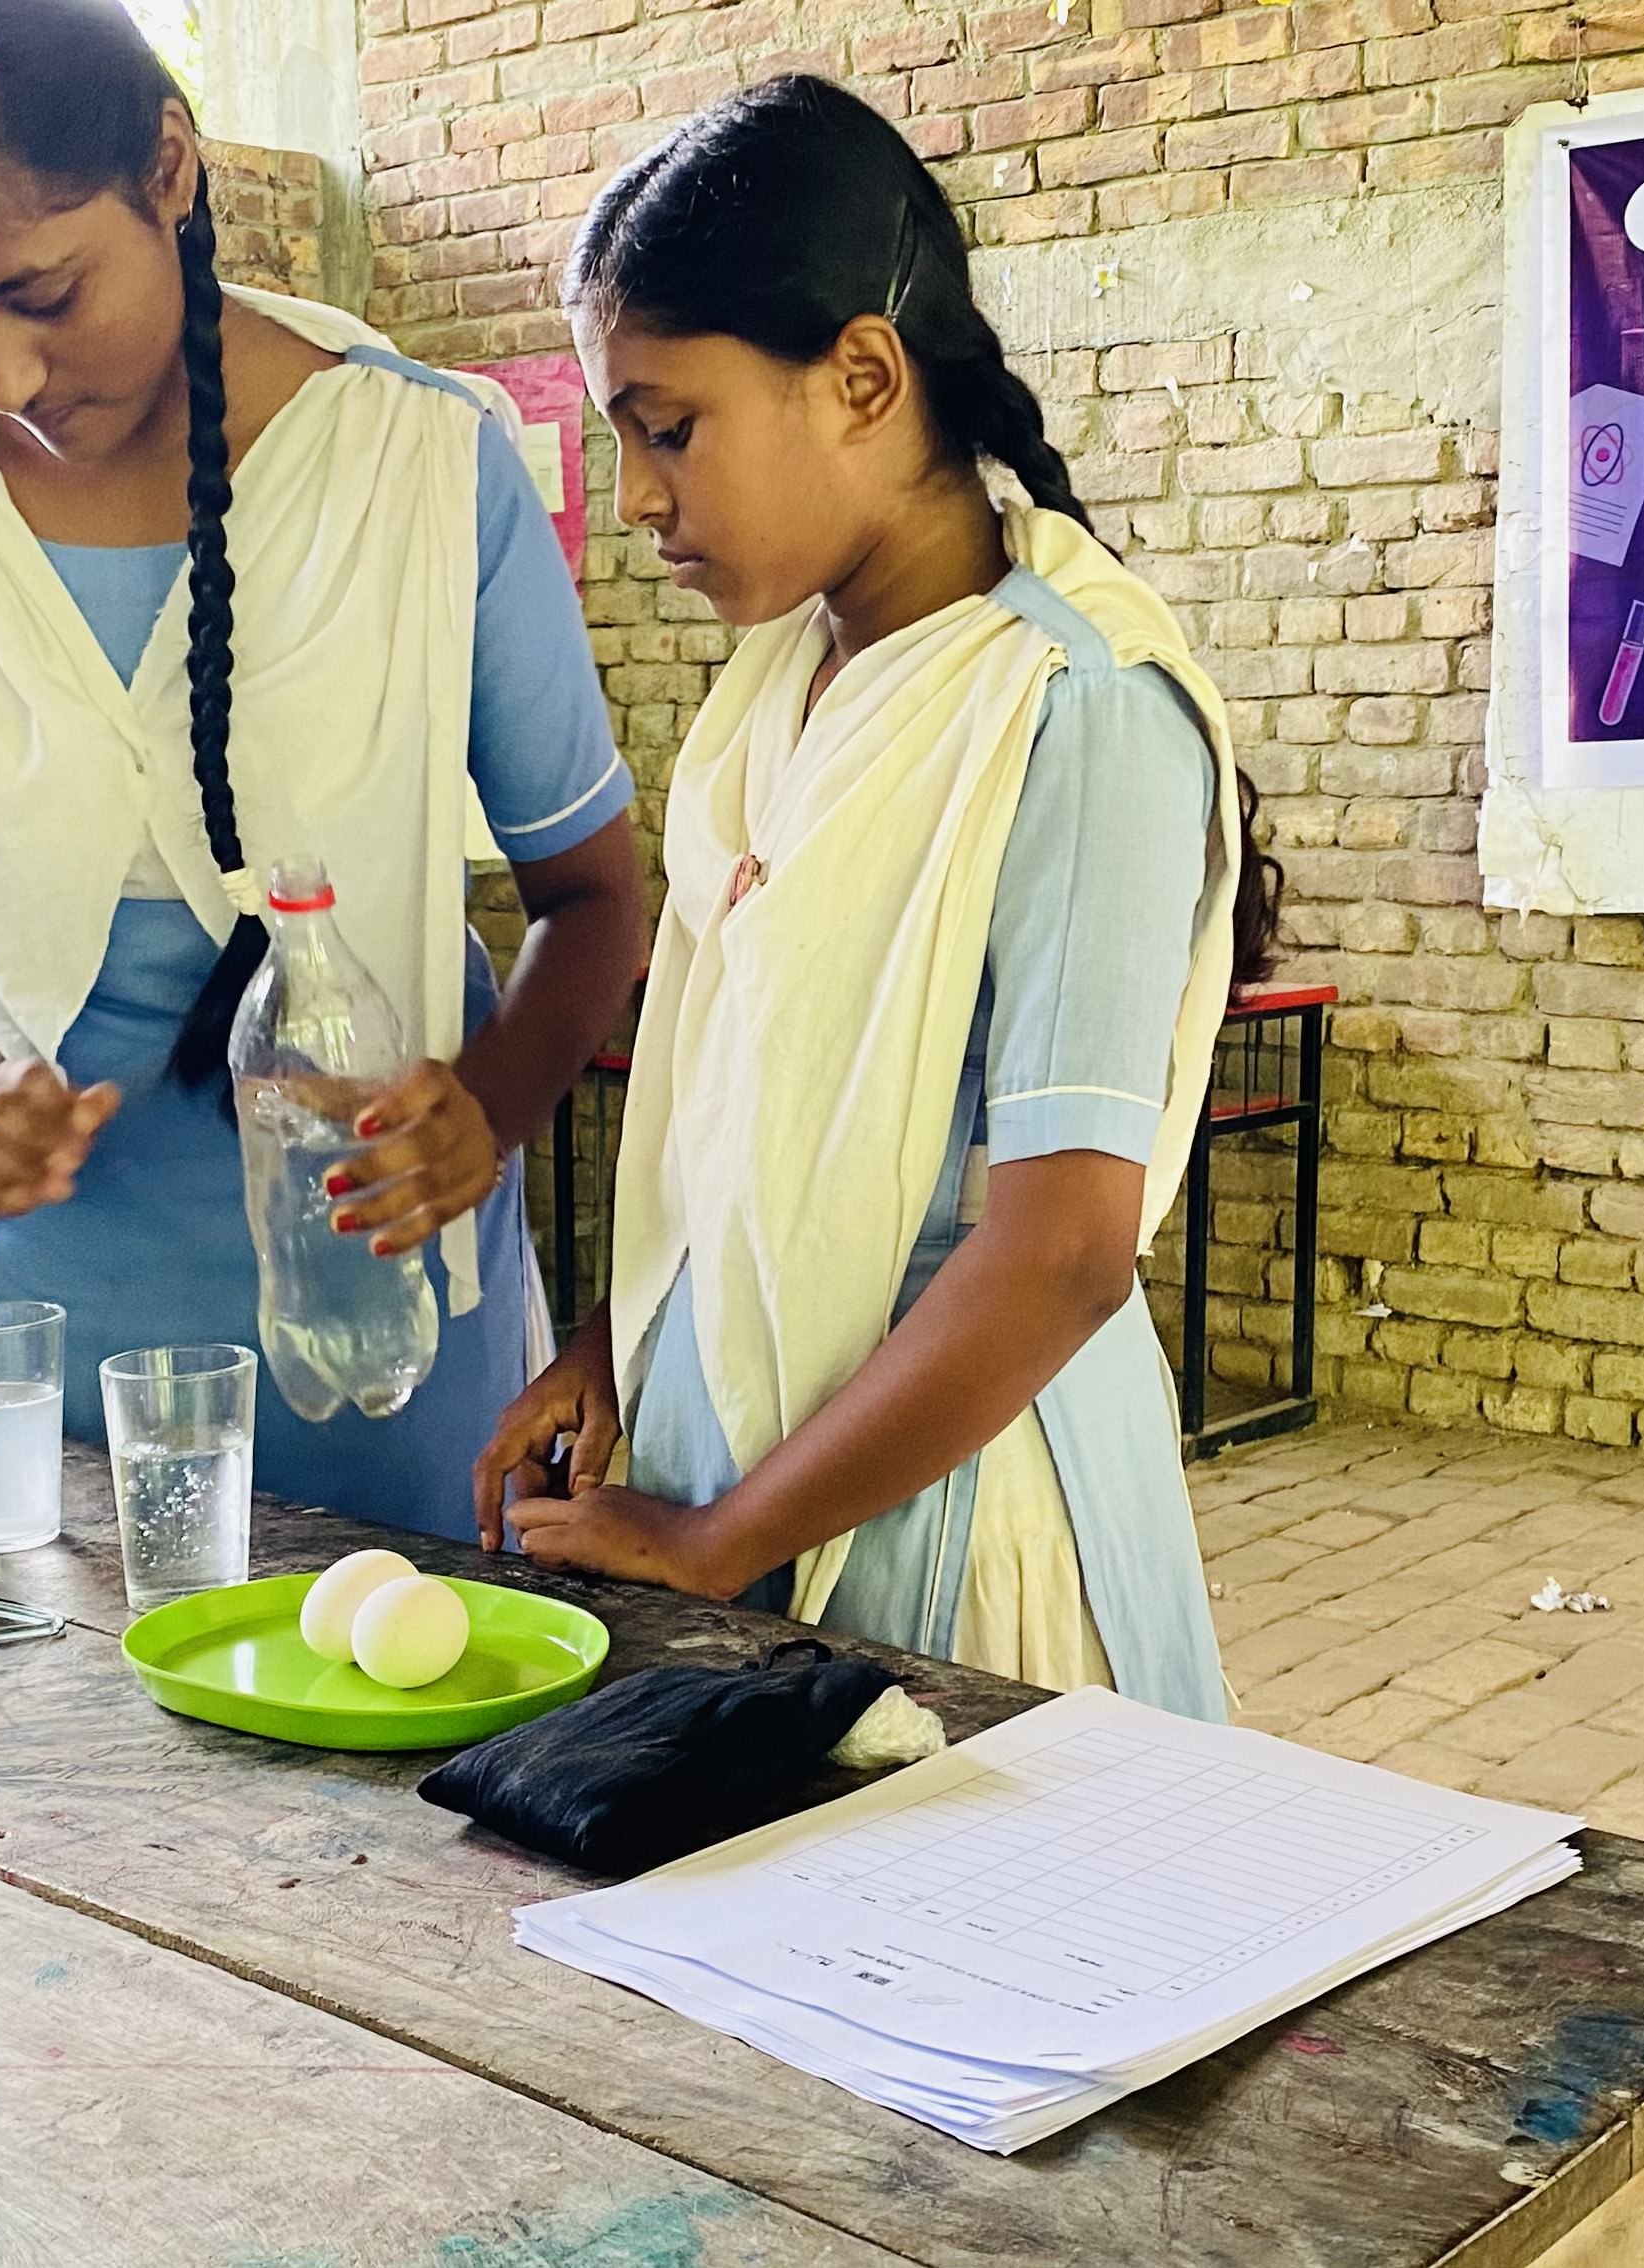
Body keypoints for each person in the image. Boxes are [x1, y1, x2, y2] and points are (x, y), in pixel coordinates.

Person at [0, 0, 647, 1538]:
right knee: (22, 1748)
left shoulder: (422, 470)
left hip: (375, 1314)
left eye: (39, 292)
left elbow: (593, 898)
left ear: (168, 166)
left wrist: (482, 1115)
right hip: (30, 1330)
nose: (7, 375)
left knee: (395, 1710)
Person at [470, 77, 1279, 1718]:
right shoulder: (776, 689)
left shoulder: (1079, 712)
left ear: (860, 377)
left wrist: (718, 1541)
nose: (634, 500)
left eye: (667, 425)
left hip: (959, 1510)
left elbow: (1058, 1253)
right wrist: (621, 1352)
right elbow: (736, 1126)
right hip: (731, 1467)